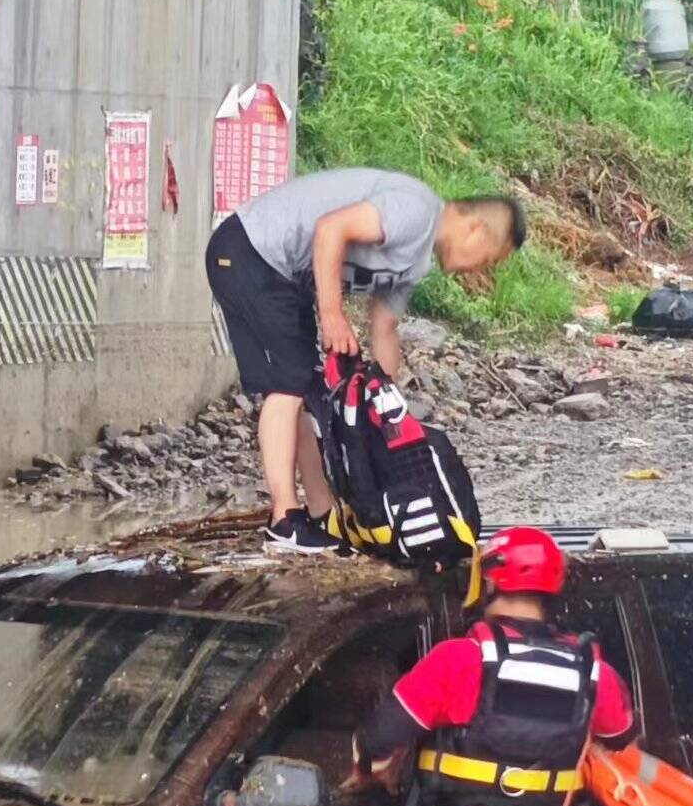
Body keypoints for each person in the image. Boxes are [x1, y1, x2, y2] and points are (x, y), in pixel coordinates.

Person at [205, 170, 525, 553]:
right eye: (486, 260)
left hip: (279, 275)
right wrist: (331, 313)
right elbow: (330, 230)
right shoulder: (416, 210)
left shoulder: (416, 262)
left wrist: (384, 408)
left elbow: (384, 329)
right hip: (250, 253)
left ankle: (322, 515)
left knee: (307, 390)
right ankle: (284, 520)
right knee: (287, 383)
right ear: (475, 230)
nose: (478, 271)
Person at [347, 527, 637, 806]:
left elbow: (378, 738)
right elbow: (620, 739)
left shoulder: (458, 660)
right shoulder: (593, 671)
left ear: (488, 581)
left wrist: (368, 771)